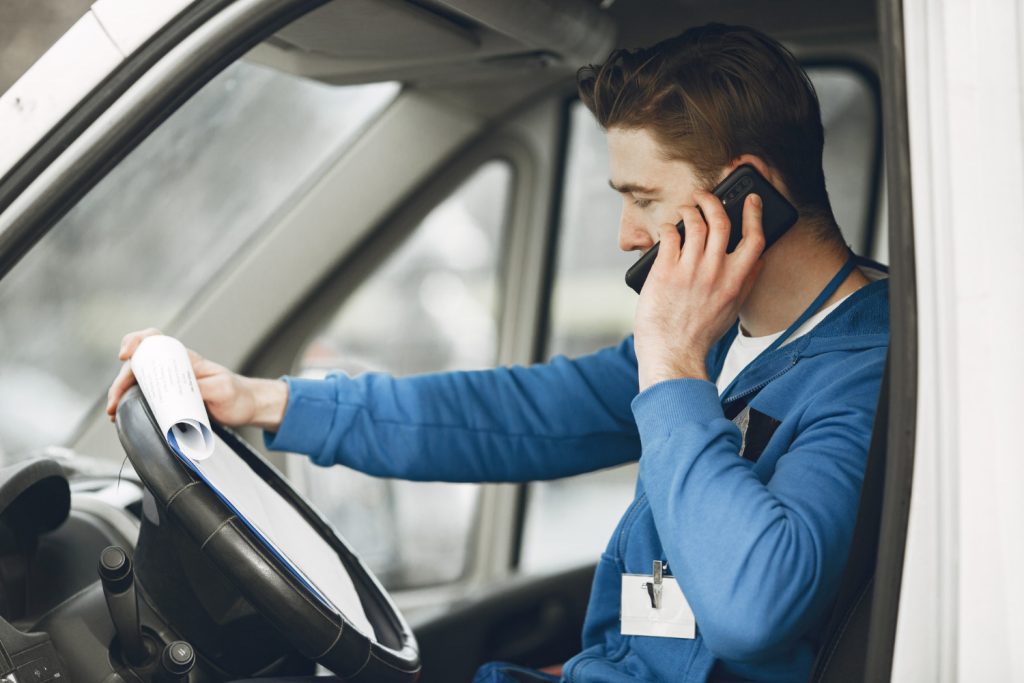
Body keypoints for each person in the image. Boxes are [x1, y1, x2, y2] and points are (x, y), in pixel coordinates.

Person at [107, 23, 888, 683]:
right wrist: (268, 400)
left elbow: (753, 607)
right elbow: (518, 414)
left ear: (750, 198)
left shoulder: (866, 376)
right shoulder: (716, 342)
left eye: (644, 199)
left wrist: (672, 363)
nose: (627, 236)